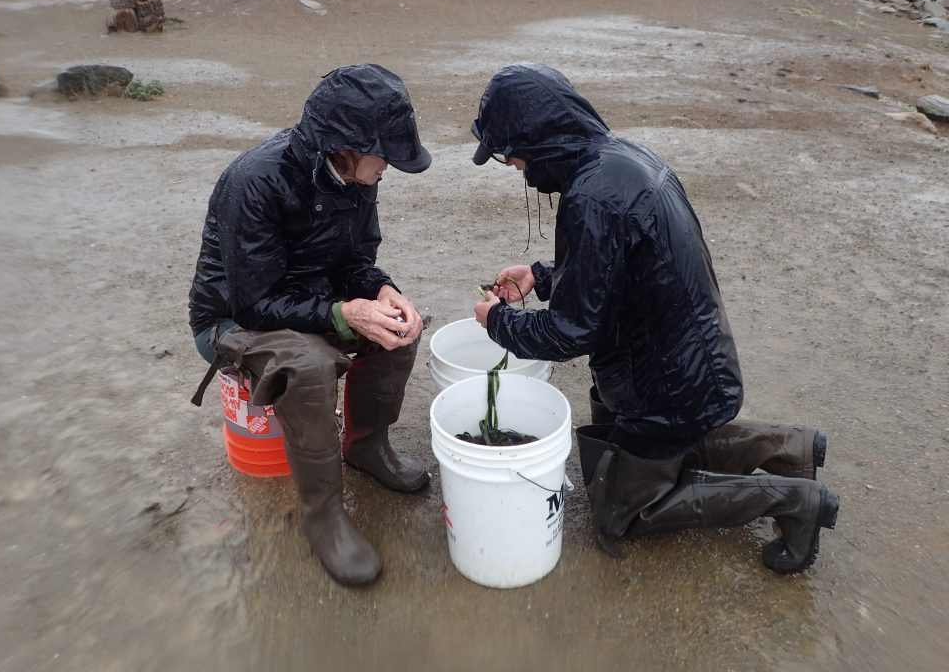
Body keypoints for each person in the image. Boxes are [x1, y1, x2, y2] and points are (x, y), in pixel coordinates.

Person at [470, 62, 838, 574]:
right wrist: (542, 275)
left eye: (513, 155)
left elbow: (572, 330)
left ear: (541, 137)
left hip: (667, 386)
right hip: (692, 361)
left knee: (624, 512)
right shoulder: (619, 159)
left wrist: (497, 322)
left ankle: (794, 500)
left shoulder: (590, 197)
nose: (515, 166)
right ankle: (789, 448)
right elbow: (621, 262)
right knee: (626, 441)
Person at [188, 63, 431, 587]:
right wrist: (344, 314)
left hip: (310, 298)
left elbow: (355, 262)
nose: (389, 164)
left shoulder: (357, 175)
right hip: (229, 319)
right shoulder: (254, 180)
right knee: (309, 363)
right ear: (345, 144)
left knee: (397, 326)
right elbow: (254, 303)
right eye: (384, 151)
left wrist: (381, 289)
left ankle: (367, 445)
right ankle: (324, 513)